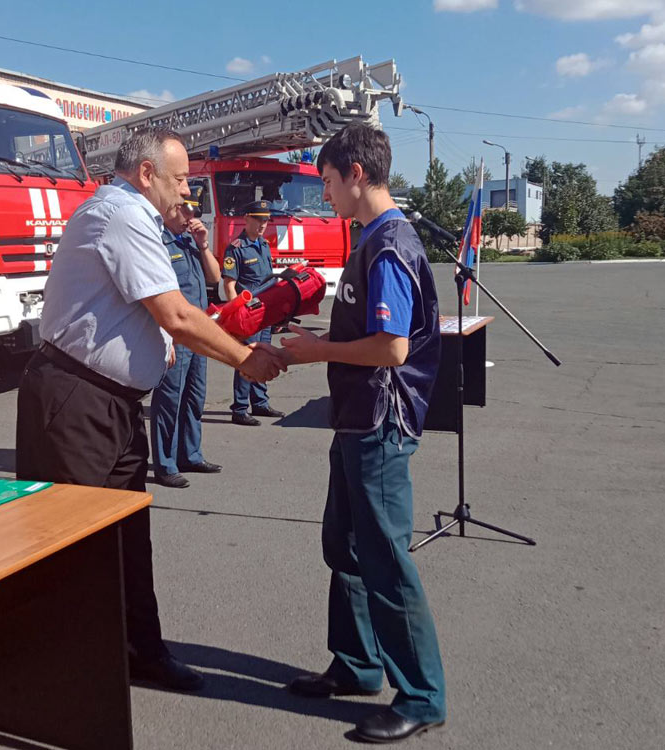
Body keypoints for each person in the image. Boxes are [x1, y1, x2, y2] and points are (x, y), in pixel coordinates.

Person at [16, 127, 284, 692]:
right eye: (181, 178)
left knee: (127, 538)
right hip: (76, 400)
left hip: (109, 404)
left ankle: (140, 651)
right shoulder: (123, 215)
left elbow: (172, 313)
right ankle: (60, 680)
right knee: (70, 546)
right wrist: (244, 360)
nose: (186, 191)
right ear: (145, 174)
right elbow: (178, 316)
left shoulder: (139, 219)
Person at [280, 123, 446, 743]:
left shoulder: (388, 243)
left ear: (355, 173)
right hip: (354, 418)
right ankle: (356, 664)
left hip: (380, 422)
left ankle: (423, 696)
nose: (325, 194)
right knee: (344, 547)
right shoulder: (370, 238)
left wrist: (311, 350)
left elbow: (392, 348)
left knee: (384, 557)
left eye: (326, 181)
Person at [150, 188, 223, 489]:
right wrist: (164, 338)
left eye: (194, 212)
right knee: (170, 398)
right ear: (171, 209)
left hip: (198, 332)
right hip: (176, 335)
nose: (190, 217)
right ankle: (165, 463)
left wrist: (204, 245)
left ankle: (189, 454)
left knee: (194, 396)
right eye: (185, 210)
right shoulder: (159, 243)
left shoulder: (189, 242)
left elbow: (215, 278)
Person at [221, 200, 286, 426]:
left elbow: (269, 282)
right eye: (258, 219)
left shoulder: (264, 245)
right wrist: (236, 316)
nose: (262, 225)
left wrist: (277, 313)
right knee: (247, 358)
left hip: (266, 313)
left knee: (264, 355)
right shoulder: (236, 248)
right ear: (246, 218)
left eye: (266, 220)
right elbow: (229, 284)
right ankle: (239, 408)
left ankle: (259, 402)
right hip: (248, 314)